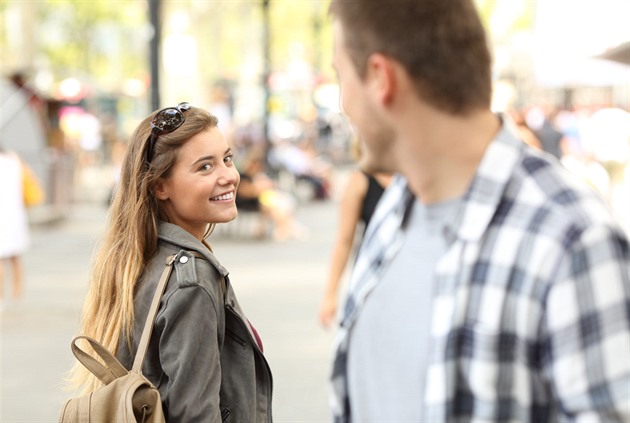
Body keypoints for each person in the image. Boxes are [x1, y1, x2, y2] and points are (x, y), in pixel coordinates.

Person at [328, 2, 630, 422]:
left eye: (340, 74)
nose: (342, 104)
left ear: (381, 78)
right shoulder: (394, 211)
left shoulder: (572, 240)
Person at [66, 103, 273, 421]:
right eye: (205, 167)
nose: (229, 176)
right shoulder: (192, 280)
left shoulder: (140, 256)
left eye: (227, 159)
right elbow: (195, 414)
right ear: (160, 186)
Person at [318, 139, 392, 328]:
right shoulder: (360, 180)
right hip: (373, 273)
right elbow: (344, 240)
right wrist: (330, 295)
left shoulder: (412, 175)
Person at [236, 152, 306, 240]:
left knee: (278, 204)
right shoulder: (243, 176)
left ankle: (284, 227)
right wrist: (260, 188)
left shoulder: (257, 175)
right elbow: (245, 192)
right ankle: (283, 228)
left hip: (259, 199)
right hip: (248, 202)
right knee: (272, 206)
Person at [0, 147, 30, 307]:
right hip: (16, 214)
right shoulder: (14, 159)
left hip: (3, 216)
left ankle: (1, 296)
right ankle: (17, 293)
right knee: (15, 257)